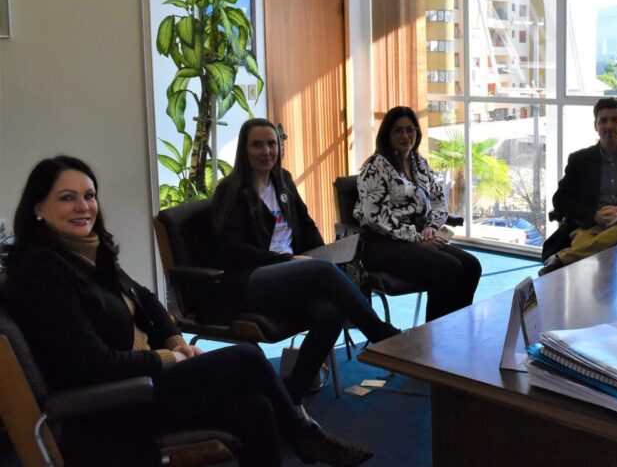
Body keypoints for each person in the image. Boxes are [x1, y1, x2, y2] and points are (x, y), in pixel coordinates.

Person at [0, 156, 373, 467]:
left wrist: (175, 340)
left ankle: (301, 435)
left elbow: (145, 299)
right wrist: (169, 358)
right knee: (245, 357)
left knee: (255, 406)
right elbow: (92, 364)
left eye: (89, 195)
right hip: (114, 404)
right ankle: (303, 434)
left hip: (142, 382)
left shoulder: (88, 253)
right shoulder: (41, 273)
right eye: (67, 198)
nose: (83, 207)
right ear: (37, 208)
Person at [210, 118, 399, 406]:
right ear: (244, 150)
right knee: (320, 271)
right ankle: (381, 334)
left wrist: (324, 252)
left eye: (271, 144)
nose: (266, 151)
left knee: (330, 313)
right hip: (250, 280)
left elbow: (306, 226)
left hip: (291, 276)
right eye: (257, 145)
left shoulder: (282, 180)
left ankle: (291, 394)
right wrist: (286, 259)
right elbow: (231, 250)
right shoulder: (233, 189)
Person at [354, 106, 481, 322]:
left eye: (410, 130)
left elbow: (438, 201)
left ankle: (454, 328)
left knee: (471, 266)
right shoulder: (375, 166)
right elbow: (375, 217)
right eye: (398, 130)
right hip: (383, 244)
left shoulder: (419, 163)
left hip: (420, 237)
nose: (405, 136)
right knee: (448, 268)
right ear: (387, 135)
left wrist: (431, 228)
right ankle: (434, 334)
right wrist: (417, 238)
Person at [540, 98, 617, 275]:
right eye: (603, 121)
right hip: (591, 226)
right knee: (587, 242)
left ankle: (564, 258)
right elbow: (560, 199)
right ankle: (573, 256)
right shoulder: (580, 160)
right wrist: (594, 214)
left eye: (614, 120)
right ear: (596, 125)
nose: (609, 126)